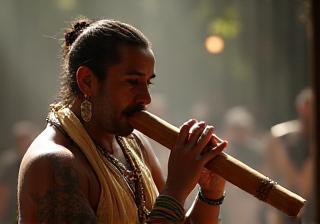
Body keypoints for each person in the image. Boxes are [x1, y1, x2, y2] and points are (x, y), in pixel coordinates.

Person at [17, 18, 228, 223]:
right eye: (132, 82)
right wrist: (176, 188)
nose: (146, 98)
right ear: (87, 81)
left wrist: (210, 193)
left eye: (147, 83)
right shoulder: (52, 165)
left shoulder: (136, 144)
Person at [0, 120, 39, 223]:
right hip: (12, 217)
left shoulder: (40, 162)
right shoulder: (9, 164)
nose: (24, 144)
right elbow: (3, 193)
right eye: (21, 140)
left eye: (27, 140)